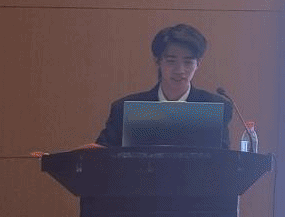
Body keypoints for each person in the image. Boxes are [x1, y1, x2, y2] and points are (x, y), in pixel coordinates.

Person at [95, 24, 233, 148]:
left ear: (198, 64)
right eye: (171, 61)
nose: (179, 70)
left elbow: (224, 161)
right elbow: (102, 153)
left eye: (188, 62)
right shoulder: (124, 109)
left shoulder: (216, 108)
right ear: (157, 61)